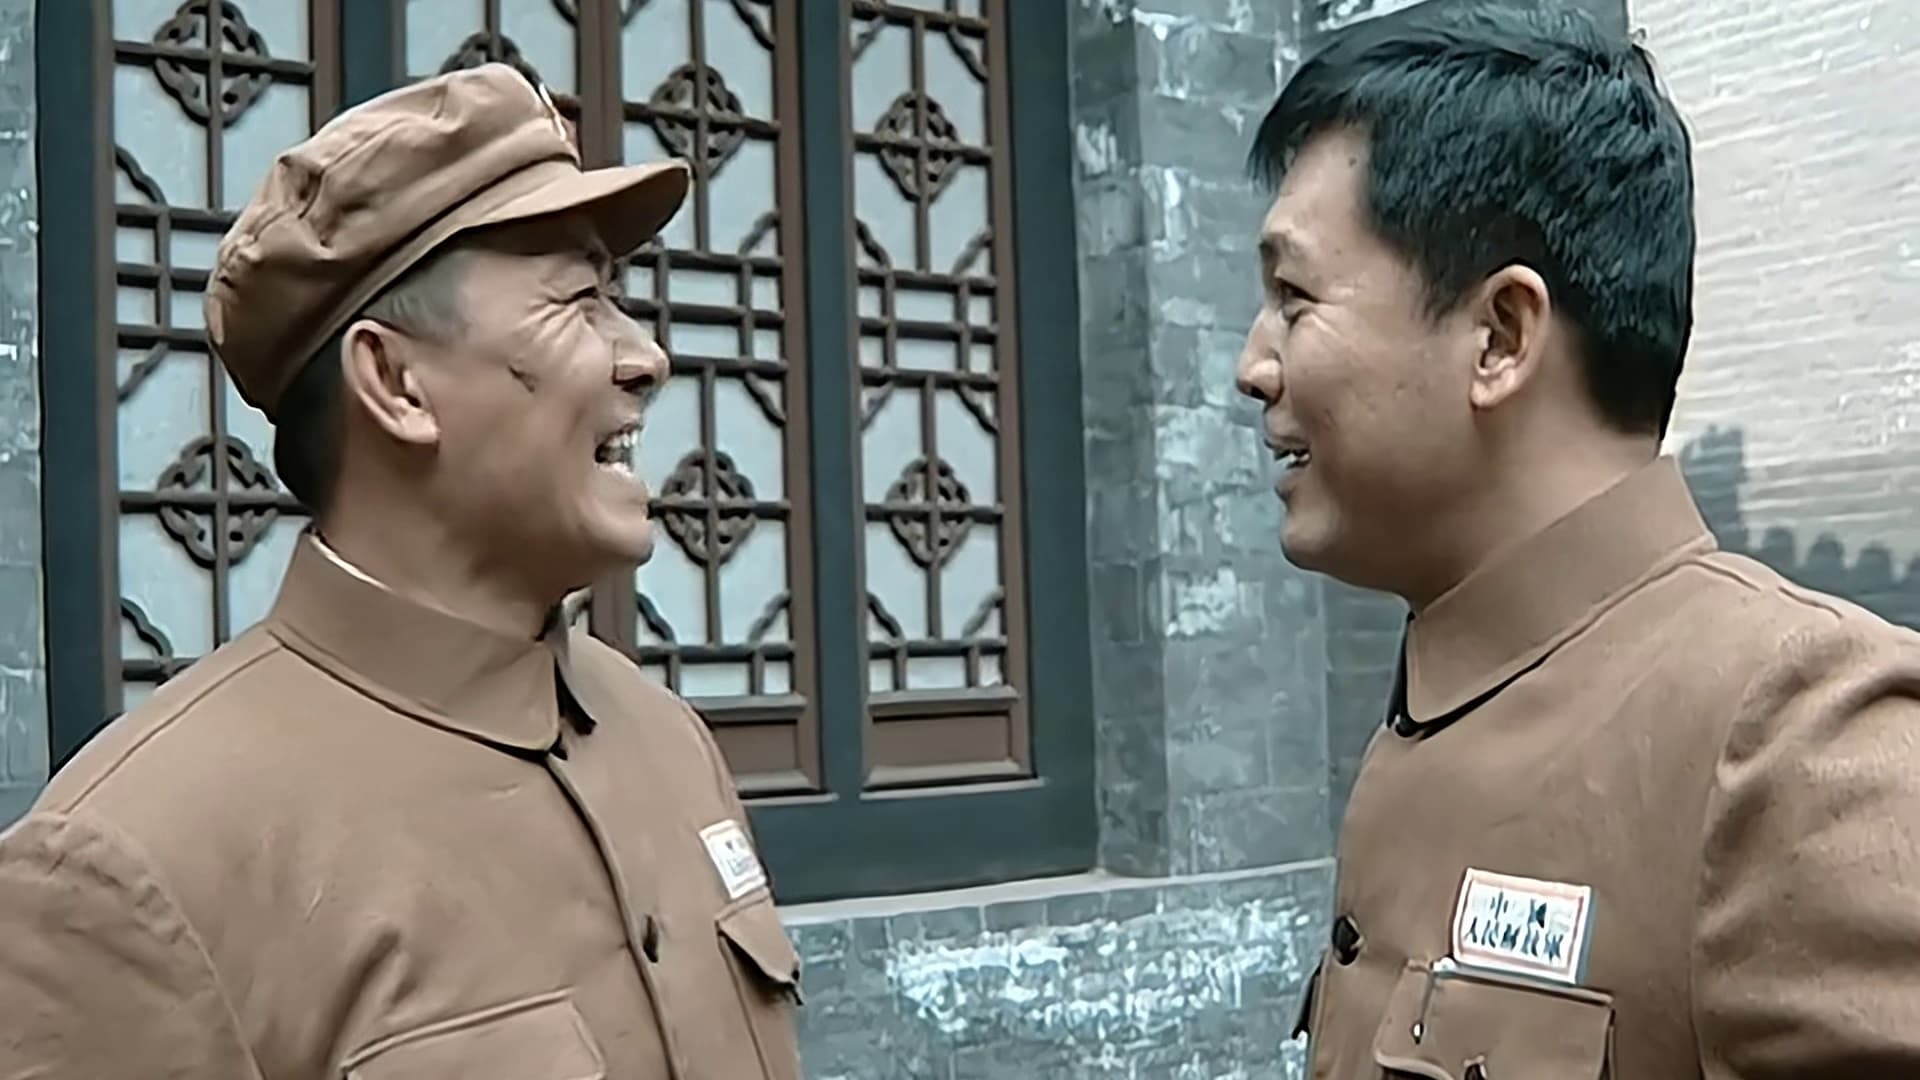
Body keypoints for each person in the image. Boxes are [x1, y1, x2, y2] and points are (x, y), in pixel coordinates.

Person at [0, 64, 802, 1079]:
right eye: (579, 301)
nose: (645, 357)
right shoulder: (136, 866)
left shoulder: (666, 740)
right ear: (395, 382)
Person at [1238, 3, 1920, 1077]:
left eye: (1293, 297)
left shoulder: (1796, 738)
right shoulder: (1443, 697)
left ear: (1499, 337)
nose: (1253, 365)